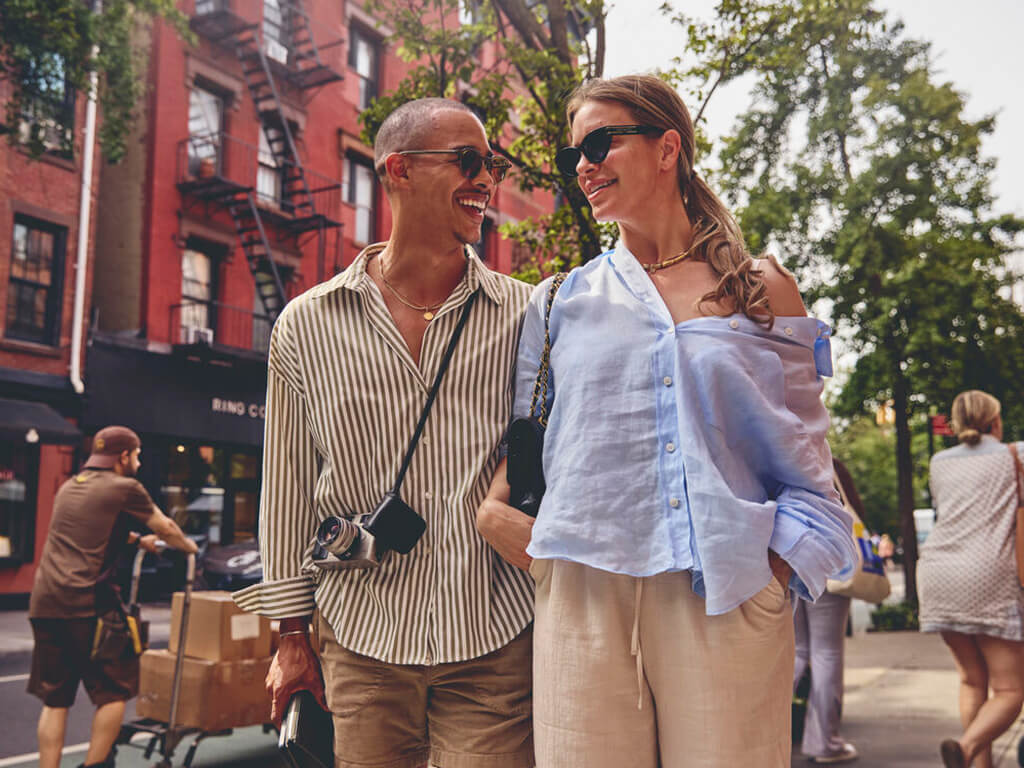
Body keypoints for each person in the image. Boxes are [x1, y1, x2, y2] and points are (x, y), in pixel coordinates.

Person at [476, 74, 857, 768]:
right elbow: (532, 439)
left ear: (667, 147)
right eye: (573, 156)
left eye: (600, 142)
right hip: (583, 589)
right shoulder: (560, 299)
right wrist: (494, 516)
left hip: (723, 588)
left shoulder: (758, 290)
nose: (584, 165)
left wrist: (777, 568)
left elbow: (809, 466)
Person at [232, 98, 535, 768]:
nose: (486, 179)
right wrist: (290, 636)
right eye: (468, 160)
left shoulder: (528, 315)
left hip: (494, 635)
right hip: (360, 639)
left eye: (490, 163)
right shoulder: (306, 324)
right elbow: (286, 488)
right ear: (399, 170)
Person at [28, 425, 197, 768]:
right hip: (88, 604)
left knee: (56, 700)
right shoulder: (126, 487)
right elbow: (166, 527)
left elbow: (92, 530)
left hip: (45, 603)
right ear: (123, 456)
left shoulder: (69, 487)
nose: (139, 461)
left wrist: (137, 541)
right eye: (136, 454)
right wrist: (190, 548)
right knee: (114, 692)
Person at [918, 390, 1024, 768]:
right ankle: (966, 748)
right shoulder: (1016, 455)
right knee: (1010, 689)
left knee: (971, 681)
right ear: (995, 421)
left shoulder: (939, 462)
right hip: (987, 574)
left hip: (937, 573)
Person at [791, 458, 863, 764]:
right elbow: (854, 513)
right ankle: (825, 742)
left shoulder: (779, 457)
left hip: (790, 559)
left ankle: (763, 729)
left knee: (796, 651)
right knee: (827, 653)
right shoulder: (828, 463)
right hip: (831, 565)